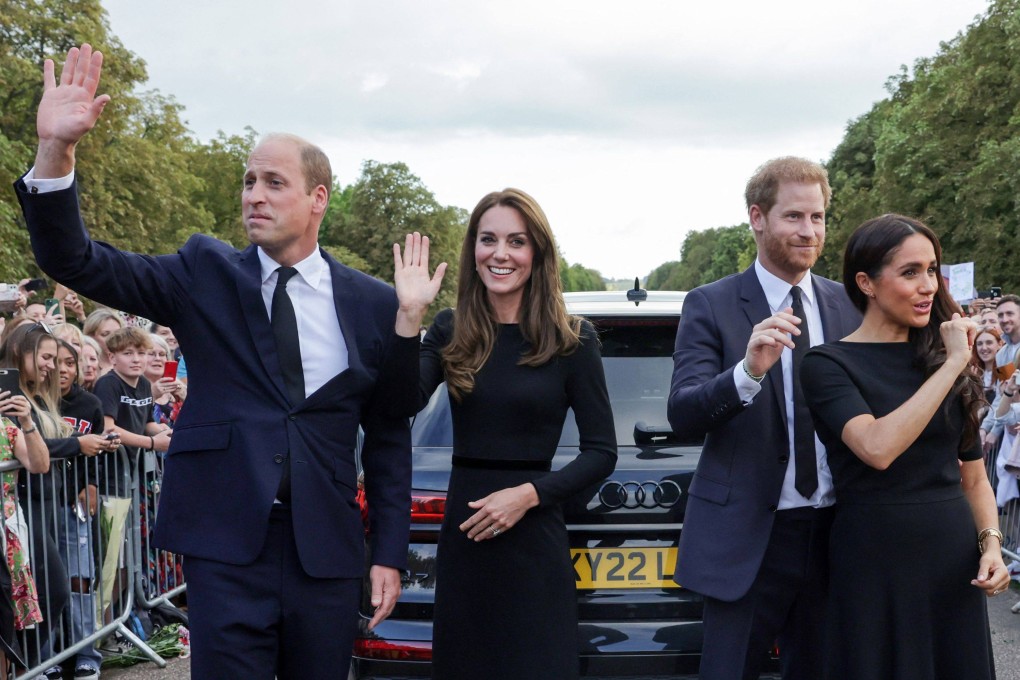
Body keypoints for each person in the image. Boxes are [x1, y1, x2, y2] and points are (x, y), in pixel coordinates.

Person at [15, 44, 424, 679]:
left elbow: (391, 436)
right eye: (248, 180)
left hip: (327, 552)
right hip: (226, 547)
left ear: (318, 198)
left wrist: (389, 554)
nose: (254, 195)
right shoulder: (202, 273)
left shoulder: (373, 304)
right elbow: (78, 261)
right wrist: (56, 153)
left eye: (274, 183)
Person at [399, 188, 617, 679]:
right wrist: (409, 316)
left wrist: (527, 496)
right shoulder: (450, 328)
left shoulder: (572, 340)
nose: (500, 253)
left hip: (534, 538)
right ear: (472, 249)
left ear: (536, 254)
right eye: (488, 239)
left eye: (516, 241)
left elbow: (601, 452)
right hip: (466, 539)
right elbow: (399, 402)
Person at [667, 157, 861, 680]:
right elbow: (683, 412)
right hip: (748, 541)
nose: (809, 231)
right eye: (794, 217)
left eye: (818, 217)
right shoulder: (711, 304)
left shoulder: (848, 306)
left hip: (835, 538)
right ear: (757, 217)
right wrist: (747, 373)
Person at [800, 214, 1006, 679]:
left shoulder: (939, 359)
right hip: (873, 562)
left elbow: (973, 477)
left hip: (951, 560)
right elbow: (877, 447)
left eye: (932, 270)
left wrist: (991, 546)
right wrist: (954, 364)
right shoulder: (827, 364)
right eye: (910, 272)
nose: (927, 285)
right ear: (866, 283)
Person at [143, 334, 185, 428]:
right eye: (151, 354)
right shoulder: (132, 389)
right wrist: (152, 396)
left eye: (162, 354)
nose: (157, 358)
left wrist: (186, 398)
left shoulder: (179, 387)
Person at [82, 309, 124, 378]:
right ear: (91, 337)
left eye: (118, 333)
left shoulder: (130, 363)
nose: (113, 338)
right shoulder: (86, 367)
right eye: (105, 334)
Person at [972, 326, 1004, 404]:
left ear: (1000, 344)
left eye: (989, 342)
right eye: (979, 344)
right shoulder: (974, 372)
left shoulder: (1003, 371)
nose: (984, 347)